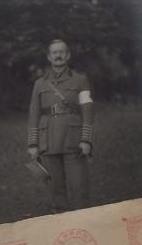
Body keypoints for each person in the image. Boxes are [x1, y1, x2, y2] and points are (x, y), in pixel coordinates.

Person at [27, 39, 94, 213]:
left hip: (74, 141)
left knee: (79, 189)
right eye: (54, 53)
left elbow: (87, 111)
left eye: (61, 52)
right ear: (49, 57)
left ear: (68, 55)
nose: (58, 55)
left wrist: (86, 140)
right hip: (48, 142)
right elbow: (34, 114)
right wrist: (33, 144)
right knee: (56, 191)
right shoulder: (40, 84)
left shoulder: (80, 80)